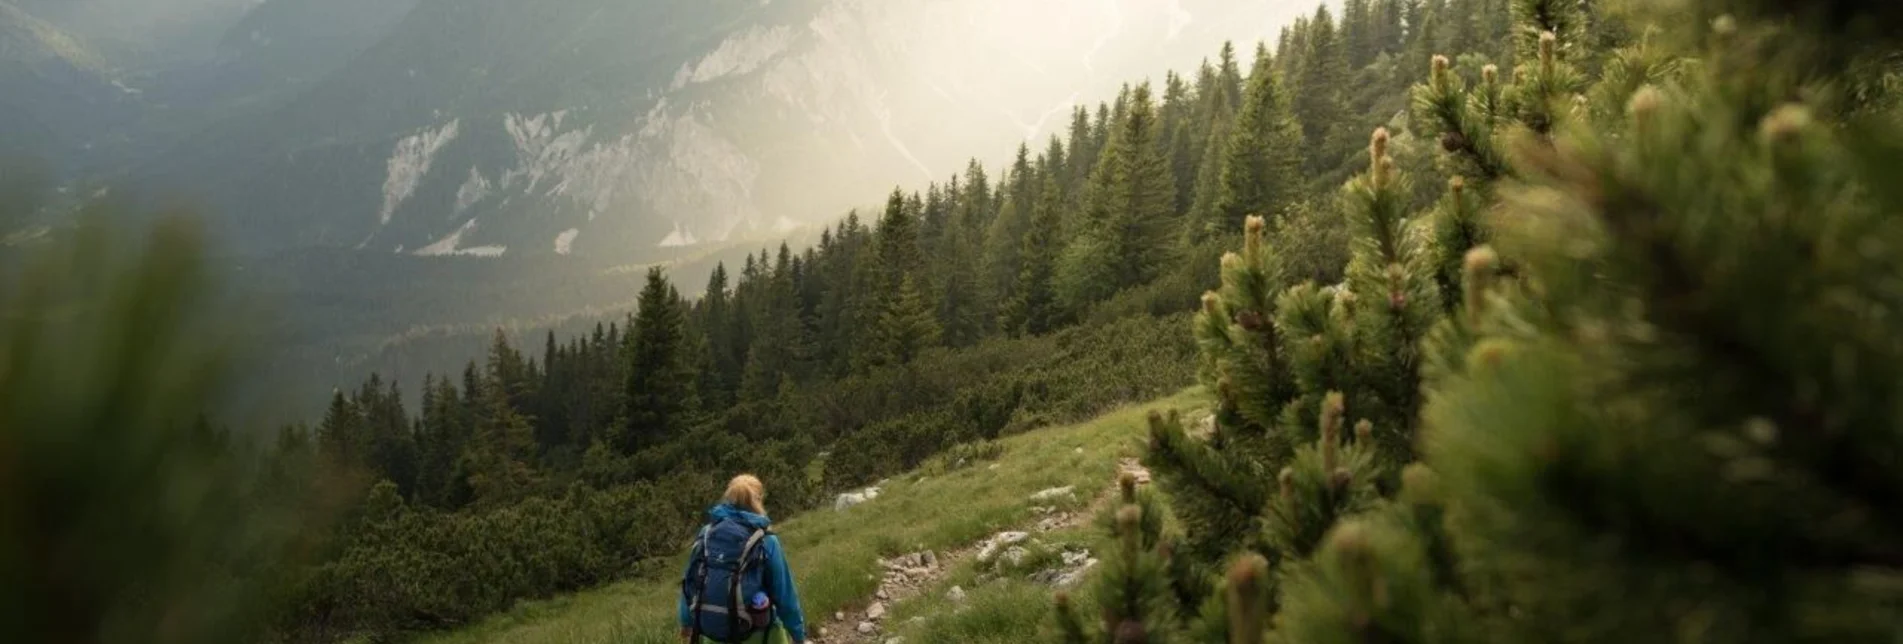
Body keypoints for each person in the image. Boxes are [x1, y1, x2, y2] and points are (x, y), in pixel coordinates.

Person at [679, 474, 809, 644]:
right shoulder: (766, 540)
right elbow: (784, 593)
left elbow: (690, 580)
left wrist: (686, 622)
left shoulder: (706, 534)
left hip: (713, 635)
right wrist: (798, 634)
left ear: (728, 498)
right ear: (759, 499)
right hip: (758, 633)